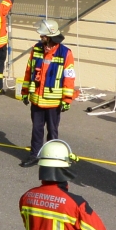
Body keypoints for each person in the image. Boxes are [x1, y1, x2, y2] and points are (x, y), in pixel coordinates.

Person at [20, 20, 76, 165]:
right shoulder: (36, 49)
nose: (41, 37)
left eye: (43, 35)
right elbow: (29, 71)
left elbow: (69, 78)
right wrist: (25, 91)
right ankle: (35, 155)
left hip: (53, 101)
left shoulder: (65, 53)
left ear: (50, 36)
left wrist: (67, 99)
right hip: (37, 99)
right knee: (36, 129)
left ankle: (52, 157)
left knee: (52, 131)